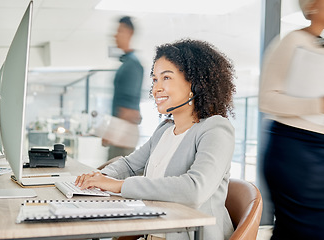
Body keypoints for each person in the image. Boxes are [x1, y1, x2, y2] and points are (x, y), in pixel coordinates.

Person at [76, 39, 236, 240]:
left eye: (166, 78)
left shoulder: (215, 129)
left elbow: (195, 189)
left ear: (194, 83)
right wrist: (97, 180)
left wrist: (118, 185)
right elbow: (129, 165)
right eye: (154, 80)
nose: (156, 88)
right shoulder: (165, 130)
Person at [258, 0, 324, 239]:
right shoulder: (292, 41)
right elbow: (266, 100)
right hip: (298, 152)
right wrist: (317, 104)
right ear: (312, 5)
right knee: (301, 232)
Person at [103, 16, 144, 160]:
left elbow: (129, 111)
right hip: (121, 133)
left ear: (130, 33)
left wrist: (110, 132)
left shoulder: (132, 65)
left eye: (120, 31)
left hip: (123, 134)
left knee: (113, 177)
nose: (115, 35)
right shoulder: (127, 63)